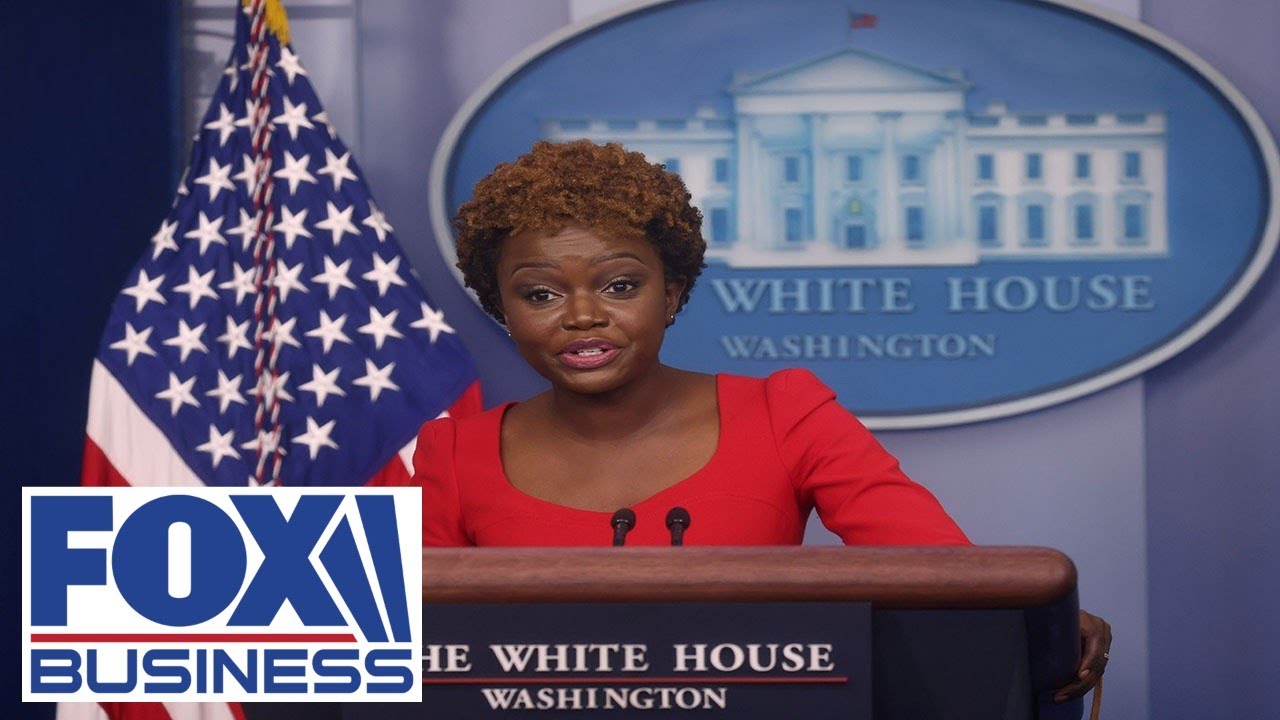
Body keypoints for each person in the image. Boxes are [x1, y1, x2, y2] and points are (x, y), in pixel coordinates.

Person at [416, 139, 1111, 701]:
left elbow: (944, 576)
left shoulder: (785, 412)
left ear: (673, 292)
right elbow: (384, 656)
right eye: (539, 293)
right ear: (503, 312)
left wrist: (1033, 624)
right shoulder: (450, 450)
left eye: (620, 285)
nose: (582, 316)